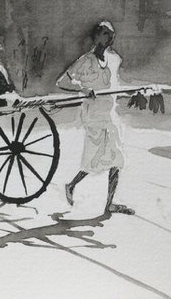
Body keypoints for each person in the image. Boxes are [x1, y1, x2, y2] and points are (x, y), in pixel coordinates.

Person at [56, 20, 134, 215]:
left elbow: (117, 82)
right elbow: (62, 81)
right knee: (92, 159)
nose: (110, 38)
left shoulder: (114, 59)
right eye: (106, 34)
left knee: (117, 158)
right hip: (93, 116)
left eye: (112, 34)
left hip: (110, 114)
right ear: (97, 36)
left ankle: (110, 203)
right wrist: (83, 89)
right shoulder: (85, 61)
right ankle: (71, 185)